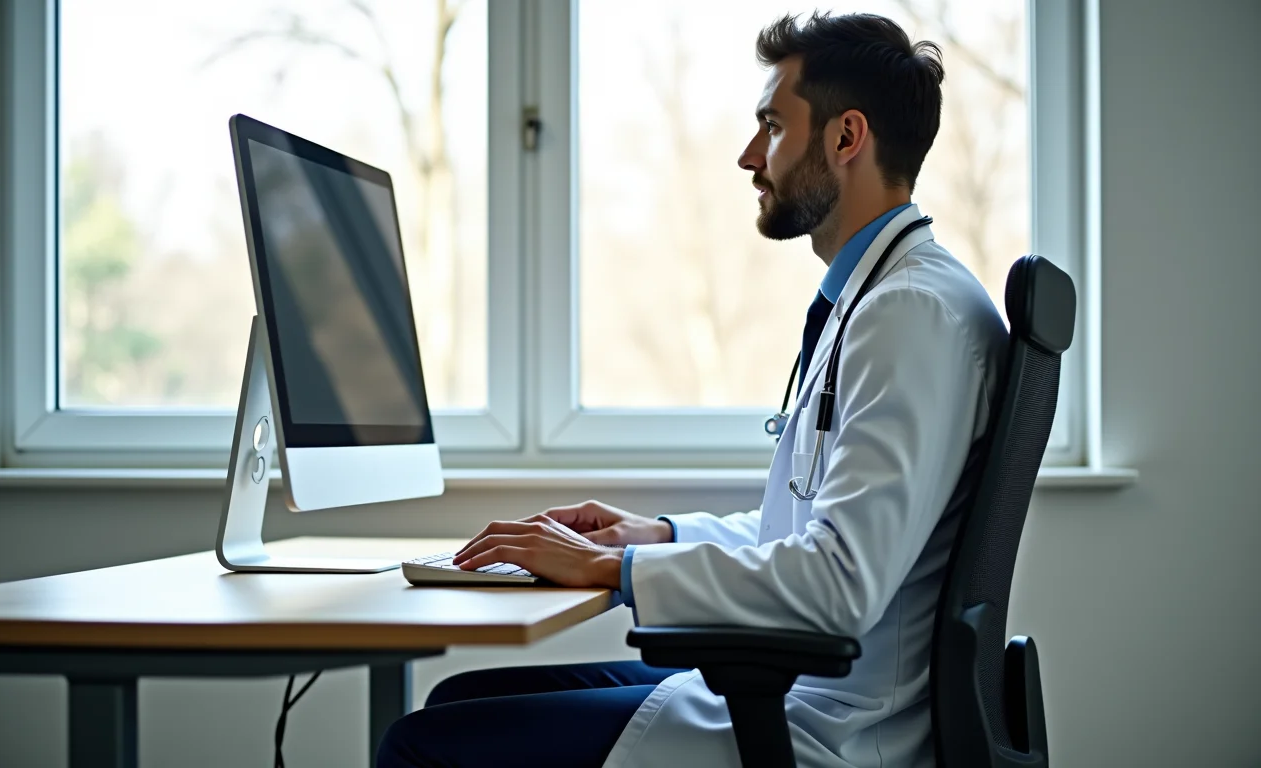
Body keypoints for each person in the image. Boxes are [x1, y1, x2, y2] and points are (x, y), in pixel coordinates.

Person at [378, 10, 1008, 768]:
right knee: (459, 705)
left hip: (832, 724)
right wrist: (653, 536)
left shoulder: (909, 313)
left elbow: (839, 582)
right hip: (808, 688)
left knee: (422, 745)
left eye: (772, 126)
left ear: (846, 138)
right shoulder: (890, 300)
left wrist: (611, 569)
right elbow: (808, 537)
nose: (749, 156)